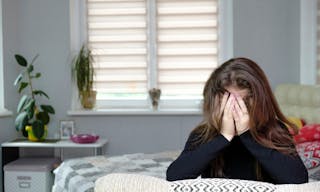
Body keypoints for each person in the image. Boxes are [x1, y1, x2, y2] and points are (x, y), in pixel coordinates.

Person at [166, 57, 308, 184]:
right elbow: (174, 176)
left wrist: (247, 134)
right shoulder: (204, 134)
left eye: (243, 103)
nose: (235, 112)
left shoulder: (275, 131)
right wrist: (224, 137)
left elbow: (298, 179)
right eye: (228, 103)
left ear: (260, 102)